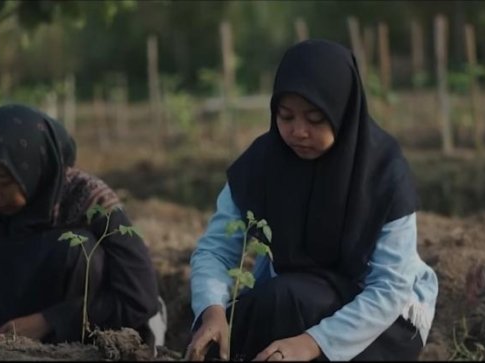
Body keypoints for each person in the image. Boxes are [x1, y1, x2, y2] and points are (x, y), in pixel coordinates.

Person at [187, 39, 438, 361]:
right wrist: (211, 311)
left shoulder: (382, 171)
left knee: (288, 301)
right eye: (286, 116)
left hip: (377, 319)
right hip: (295, 299)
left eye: (315, 119)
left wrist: (311, 343)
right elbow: (216, 250)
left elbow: (389, 288)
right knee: (232, 328)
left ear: (343, 112)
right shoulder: (263, 163)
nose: (298, 131)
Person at [0, 104, 165, 348]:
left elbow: (139, 297)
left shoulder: (89, 199)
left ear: (33, 171)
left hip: (71, 339)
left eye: (3, 181)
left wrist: (49, 321)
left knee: (80, 250)